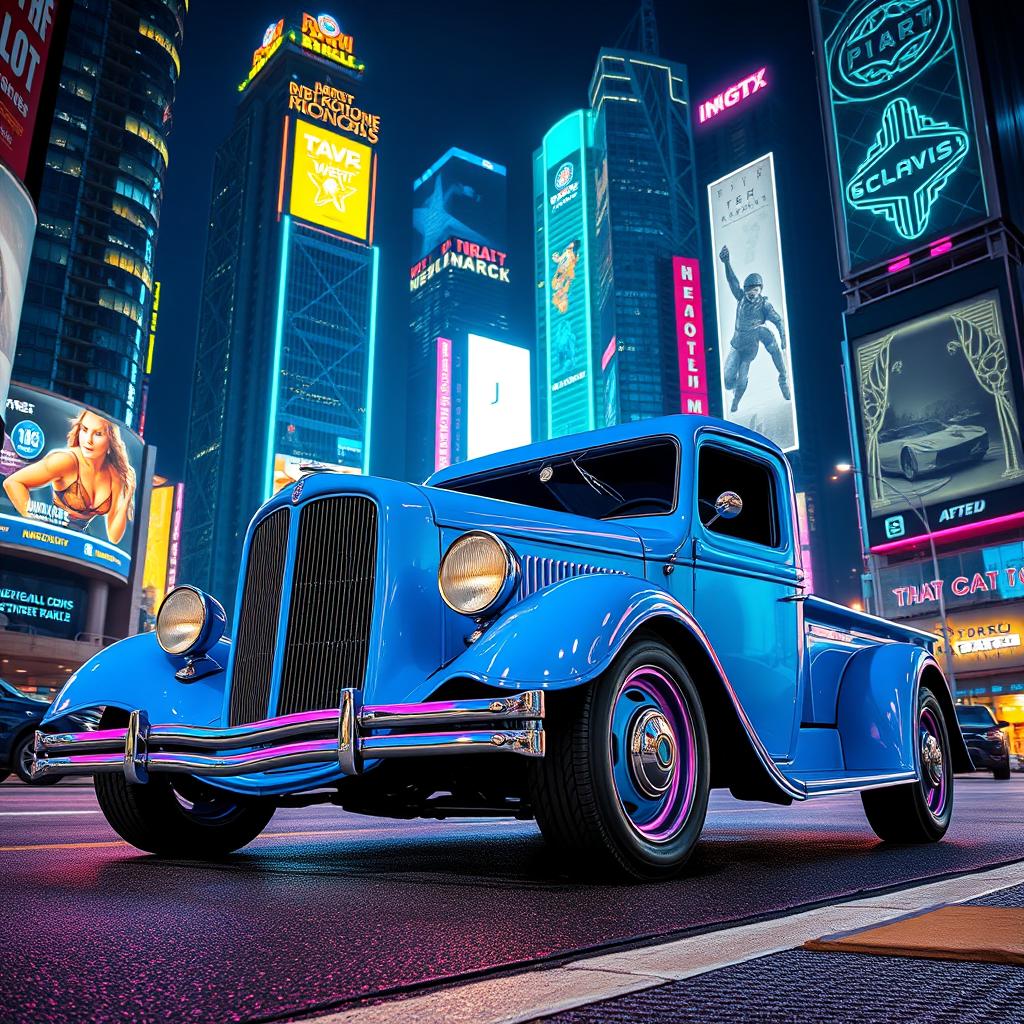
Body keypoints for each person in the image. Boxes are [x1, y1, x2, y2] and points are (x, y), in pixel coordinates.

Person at [3, 409, 136, 544]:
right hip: (48, 537)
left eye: (98, 434)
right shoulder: (66, 461)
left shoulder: (115, 475)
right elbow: (13, 482)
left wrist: (128, 495)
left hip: (77, 543)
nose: (88, 440)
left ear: (110, 439)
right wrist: (34, 523)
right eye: (84, 430)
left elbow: (114, 537)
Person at [718, 245, 791, 413]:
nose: (751, 293)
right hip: (736, 345)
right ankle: (734, 388)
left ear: (760, 290)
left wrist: (783, 338)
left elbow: (778, 321)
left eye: (755, 290)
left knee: (743, 378)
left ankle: (782, 379)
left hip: (750, 349)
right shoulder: (741, 298)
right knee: (728, 381)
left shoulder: (765, 305)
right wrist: (726, 262)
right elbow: (732, 280)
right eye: (749, 290)